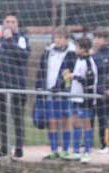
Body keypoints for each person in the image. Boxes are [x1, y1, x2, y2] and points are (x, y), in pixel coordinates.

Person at [0, 13, 30, 158]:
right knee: (2, 117)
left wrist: (10, 40)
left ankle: (19, 147)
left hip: (17, 84)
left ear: (17, 24)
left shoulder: (21, 39)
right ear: (3, 23)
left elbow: (23, 57)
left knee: (17, 117)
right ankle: (4, 147)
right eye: (7, 21)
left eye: (13, 22)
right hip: (1, 84)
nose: (10, 24)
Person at [36, 28, 76, 160]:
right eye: (56, 37)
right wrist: (40, 85)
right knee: (52, 121)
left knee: (65, 121)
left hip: (64, 93)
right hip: (49, 92)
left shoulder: (71, 54)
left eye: (61, 37)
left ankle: (65, 150)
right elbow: (42, 70)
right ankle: (54, 150)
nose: (58, 40)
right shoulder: (48, 52)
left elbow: (69, 72)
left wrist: (60, 85)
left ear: (66, 39)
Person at [66, 37, 97, 163]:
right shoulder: (78, 60)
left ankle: (87, 152)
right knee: (76, 124)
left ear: (83, 49)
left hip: (85, 99)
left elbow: (90, 81)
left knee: (86, 125)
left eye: (77, 47)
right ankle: (76, 151)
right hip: (75, 97)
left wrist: (75, 77)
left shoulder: (89, 62)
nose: (75, 49)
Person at [91, 27, 109, 153]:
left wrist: (94, 55)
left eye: (100, 38)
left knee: (105, 120)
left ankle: (107, 144)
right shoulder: (92, 52)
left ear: (106, 40)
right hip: (93, 91)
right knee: (90, 119)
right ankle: (90, 144)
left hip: (105, 92)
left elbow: (104, 67)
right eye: (95, 37)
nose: (97, 40)